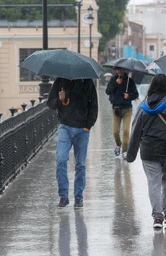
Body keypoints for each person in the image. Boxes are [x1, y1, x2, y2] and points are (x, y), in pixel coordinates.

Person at [127, 74, 166, 229]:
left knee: (153, 183)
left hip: (149, 151)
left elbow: (136, 130)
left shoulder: (144, 106)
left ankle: (157, 217)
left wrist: (131, 154)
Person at [47, 77, 98, 208]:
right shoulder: (60, 81)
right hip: (65, 127)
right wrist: (60, 99)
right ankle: (63, 196)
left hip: (82, 129)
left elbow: (94, 106)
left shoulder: (87, 82)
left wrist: (88, 125)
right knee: (61, 159)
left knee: (80, 164)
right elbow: (50, 104)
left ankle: (78, 196)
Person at [106, 67, 139, 159]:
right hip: (115, 109)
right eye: (117, 70)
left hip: (127, 110)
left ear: (124, 70)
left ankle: (125, 151)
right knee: (115, 132)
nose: (119, 71)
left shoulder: (130, 81)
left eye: (121, 69)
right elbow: (107, 91)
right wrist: (116, 84)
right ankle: (118, 145)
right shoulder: (113, 80)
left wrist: (129, 96)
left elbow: (136, 95)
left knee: (126, 131)